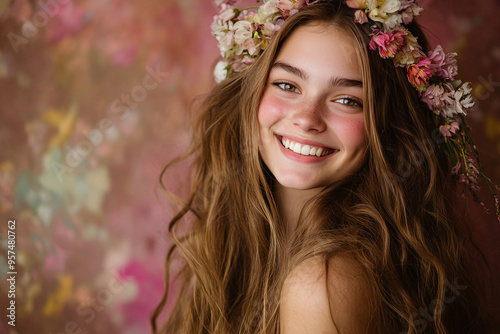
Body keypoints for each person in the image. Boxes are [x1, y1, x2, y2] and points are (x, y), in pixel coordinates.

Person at [153, 1, 498, 333]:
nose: (306, 119)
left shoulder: (324, 284)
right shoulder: (233, 245)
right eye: (287, 85)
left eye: (347, 100)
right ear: (251, 93)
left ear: (388, 125)